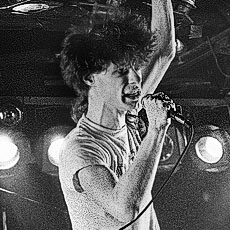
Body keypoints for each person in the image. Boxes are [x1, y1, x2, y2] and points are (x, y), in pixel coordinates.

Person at [58, 0, 176, 229]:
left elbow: (163, 50)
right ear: (90, 78)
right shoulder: (80, 149)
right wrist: (157, 129)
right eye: (121, 71)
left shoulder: (127, 116)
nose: (135, 80)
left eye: (135, 68)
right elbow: (125, 209)